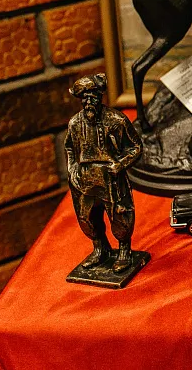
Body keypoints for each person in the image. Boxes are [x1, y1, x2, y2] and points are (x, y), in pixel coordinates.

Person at [64, 73, 143, 273]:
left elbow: (135, 147)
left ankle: (124, 251)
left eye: (93, 98)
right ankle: (100, 249)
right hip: (84, 178)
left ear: (100, 97)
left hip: (110, 178)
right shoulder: (75, 123)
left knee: (120, 215)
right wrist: (72, 169)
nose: (89, 103)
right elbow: (70, 148)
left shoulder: (116, 120)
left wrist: (119, 165)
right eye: (85, 99)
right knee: (87, 217)